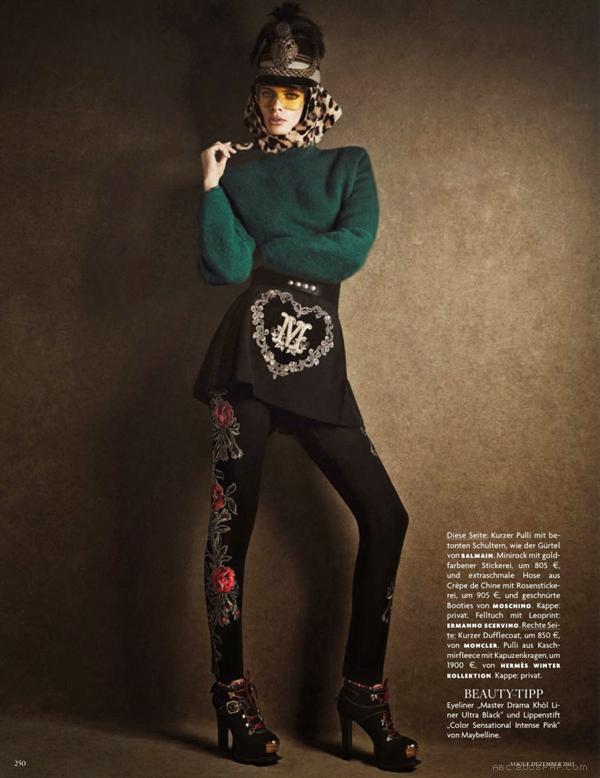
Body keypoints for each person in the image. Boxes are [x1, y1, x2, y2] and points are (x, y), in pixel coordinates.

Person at [194, 2, 421, 771]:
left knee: (386, 516)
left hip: (317, 359)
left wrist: (270, 246)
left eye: (291, 93)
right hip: (245, 359)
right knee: (231, 529)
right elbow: (226, 267)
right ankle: (231, 697)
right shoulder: (237, 172)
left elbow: (347, 253)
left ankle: (362, 693)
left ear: (312, 97)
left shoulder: (348, 165)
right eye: (267, 92)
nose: (277, 105)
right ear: (255, 97)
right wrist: (212, 187)